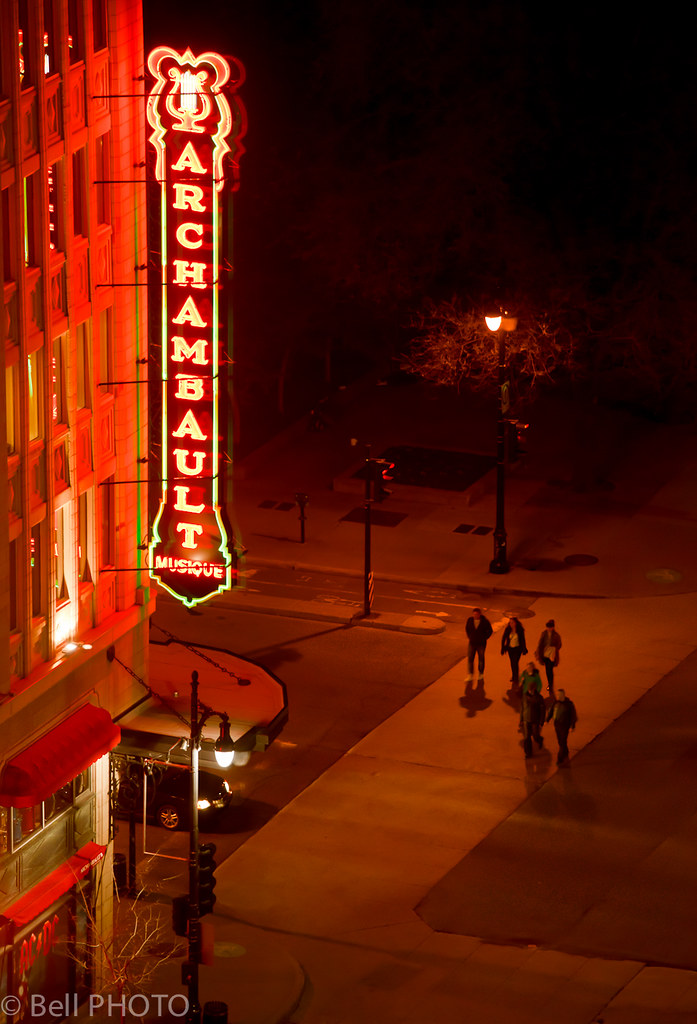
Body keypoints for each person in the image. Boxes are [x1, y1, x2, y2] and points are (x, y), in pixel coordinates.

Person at [546, 688, 577, 764]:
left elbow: (573, 716)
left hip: (564, 726)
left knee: (562, 741)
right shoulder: (555, 703)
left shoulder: (569, 704)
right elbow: (551, 711)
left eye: (558, 695)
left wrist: (572, 726)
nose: (557, 696)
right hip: (557, 725)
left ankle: (560, 758)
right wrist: (547, 720)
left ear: (562, 695)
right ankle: (565, 752)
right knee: (560, 741)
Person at [465, 607, 493, 681]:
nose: (475, 616)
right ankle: (470, 674)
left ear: (479, 614)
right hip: (472, 642)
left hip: (481, 643)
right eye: (474, 614)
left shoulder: (484, 621)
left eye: (476, 614)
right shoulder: (470, 620)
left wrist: (485, 637)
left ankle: (481, 673)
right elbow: (467, 629)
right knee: (470, 659)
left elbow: (490, 630)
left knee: (481, 658)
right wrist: (470, 636)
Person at [535, 619, 562, 691]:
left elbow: (559, 645)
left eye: (550, 627)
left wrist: (553, 648)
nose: (548, 629)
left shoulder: (556, 635)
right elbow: (540, 643)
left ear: (553, 627)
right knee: (548, 670)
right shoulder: (544, 633)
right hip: (545, 654)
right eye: (547, 627)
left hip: (552, 655)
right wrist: (538, 652)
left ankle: (550, 684)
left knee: (549, 669)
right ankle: (550, 684)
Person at [501, 616, 528, 685]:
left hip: (517, 649)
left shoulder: (520, 630)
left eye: (512, 623)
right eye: (510, 623)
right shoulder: (508, 629)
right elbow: (503, 638)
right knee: (512, 663)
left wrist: (524, 648)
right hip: (510, 649)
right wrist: (502, 648)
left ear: (515, 623)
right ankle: (514, 676)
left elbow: (522, 639)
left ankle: (515, 677)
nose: (511, 624)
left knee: (515, 662)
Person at [519, 687, 545, 758]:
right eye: (529, 690)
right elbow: (522, 708)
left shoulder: (539, 698)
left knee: (535, 735)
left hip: (535, 720)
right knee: (527, 738)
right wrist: (521, 719)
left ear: (534, 690)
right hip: (526, 720)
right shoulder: (524, 697)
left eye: (531, 690)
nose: (530, 691)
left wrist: (541, 721)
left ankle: (539, 739)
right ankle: (528, 753)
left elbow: (542, 710)